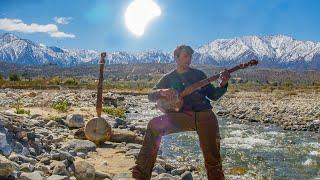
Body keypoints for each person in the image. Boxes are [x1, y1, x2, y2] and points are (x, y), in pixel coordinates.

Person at [131, 45, 230, 180]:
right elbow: (150, 95)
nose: (188, 59)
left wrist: (223, 84)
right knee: (154, 125)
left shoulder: (199, 75)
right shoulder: (168, 77)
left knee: (213, 158)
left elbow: (213, 95)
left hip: (205, 115)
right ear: (176, 58)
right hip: (183, 116)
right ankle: (141, 174)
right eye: (185, 56)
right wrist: (161, 91)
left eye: (190, 56)